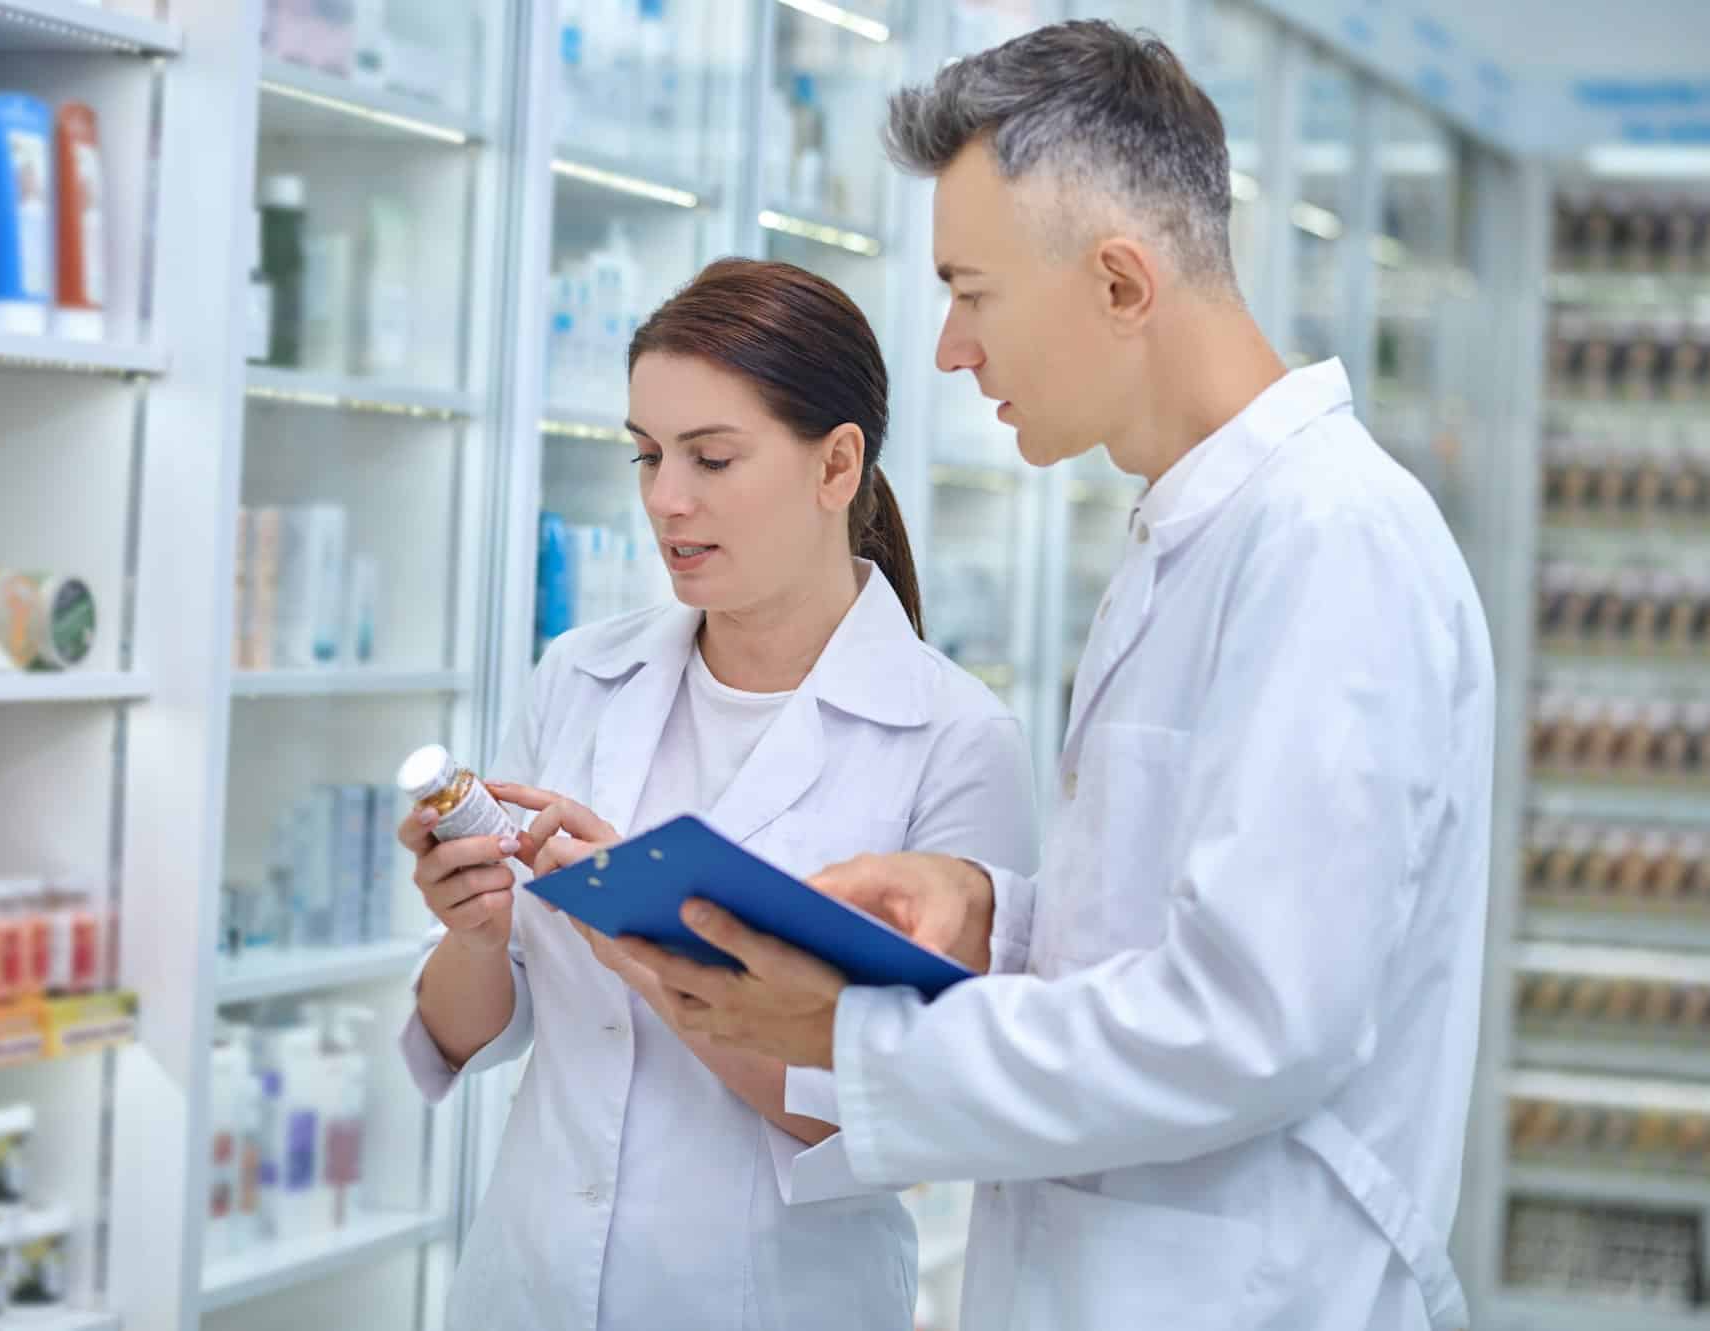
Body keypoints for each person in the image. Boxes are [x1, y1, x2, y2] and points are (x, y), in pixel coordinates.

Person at [619, 22, 1495, 1331]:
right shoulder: (1192, 533)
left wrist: (847, 1036)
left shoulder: (1328, 543)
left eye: (973, 291)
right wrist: (994, 917)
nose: (950, 351)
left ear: (1122, 285)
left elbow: (1255, 1018)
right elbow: (1198, 922)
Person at [397, 257, 1039, 1330]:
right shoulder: (579, 676)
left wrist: (648, 948)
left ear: (836, 465)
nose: (665, 499)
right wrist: (472, 929)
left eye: (711, 457)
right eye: (648, 454)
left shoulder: (954, 737)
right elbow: (464, 1034)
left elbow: (903, 1115)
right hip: (528, 1284)